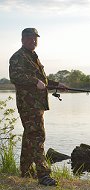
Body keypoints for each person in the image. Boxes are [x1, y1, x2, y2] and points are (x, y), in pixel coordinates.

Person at [9, 28, 67, 186]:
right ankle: (43, 175)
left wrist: (56, 85)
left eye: (35, 38)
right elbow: (15, 76)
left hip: (37, 104)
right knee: (37, 136)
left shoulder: (33, 56)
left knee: (30, 137)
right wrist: (35, 81)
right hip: (28, 105)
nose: (33, 41)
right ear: (22, 40)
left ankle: (26, 171)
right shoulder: (18, 57)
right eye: (29, 38)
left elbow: (43, 80)